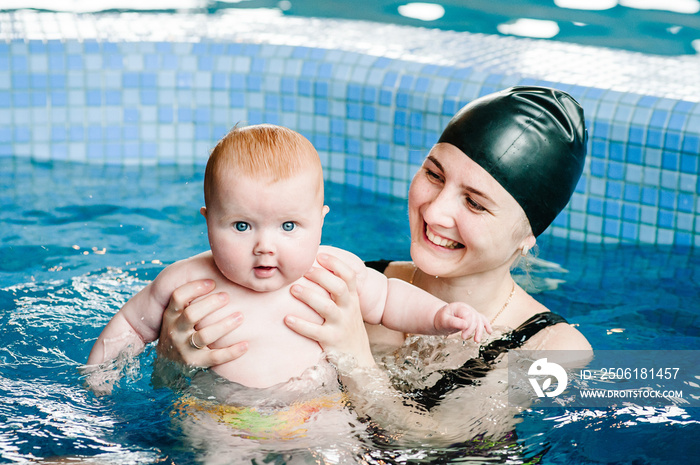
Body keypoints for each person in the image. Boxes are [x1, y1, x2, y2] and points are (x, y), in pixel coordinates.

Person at [154, 87, 592, 443]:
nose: (435, 211)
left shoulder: (552, 348)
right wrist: (172, 364)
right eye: (434, 175)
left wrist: (353, 357)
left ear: (528, 234)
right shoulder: (346, 278)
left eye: (475, 203)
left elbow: (445, 440)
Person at [86, 124, 491, 394]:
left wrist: (441, 316)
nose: (266, 245)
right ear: (209, 223)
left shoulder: (333, 269)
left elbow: (390, 299)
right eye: (242, 226)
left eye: (289, 226)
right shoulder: (185, 280)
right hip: (222, 417)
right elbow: (130, 325)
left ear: (320, 222)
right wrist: (98, 383)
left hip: (317, 412)